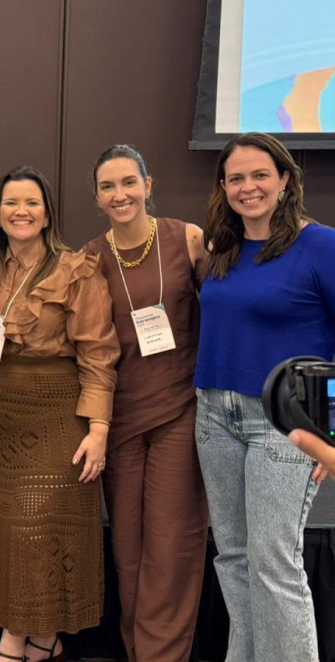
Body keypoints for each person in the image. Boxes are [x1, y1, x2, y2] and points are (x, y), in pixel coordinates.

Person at [0, 166, 119, 662]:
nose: (21, 211)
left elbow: (99, 355)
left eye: (32, 202)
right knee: (7, 535)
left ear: (48, 214)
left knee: (40, 532)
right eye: (11, 203)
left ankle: (13, 642)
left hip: (56, 417)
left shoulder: (76, 271)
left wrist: (98, 429)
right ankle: (44, 642)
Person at [195, 132, 335, 661]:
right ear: (223, 186)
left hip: (285, 422)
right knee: (233, 557)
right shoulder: (223, 249)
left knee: (274, 563)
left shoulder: (320, 245)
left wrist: (329, 425)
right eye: (235, 178)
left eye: (260, 175)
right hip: (214, 415)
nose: (247, 187)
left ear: (285, 181)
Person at [82, 145, 207, 662]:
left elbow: (223, 311)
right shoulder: (91, 258)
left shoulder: (188, 240)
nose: (120, 194)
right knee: (128, 551)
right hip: (120, 418)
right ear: (96, 197)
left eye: (129, 182)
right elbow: (90, 347)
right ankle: (140, 651)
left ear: (148, 186)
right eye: (108, 186)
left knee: (170, 547)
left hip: (180, 411)